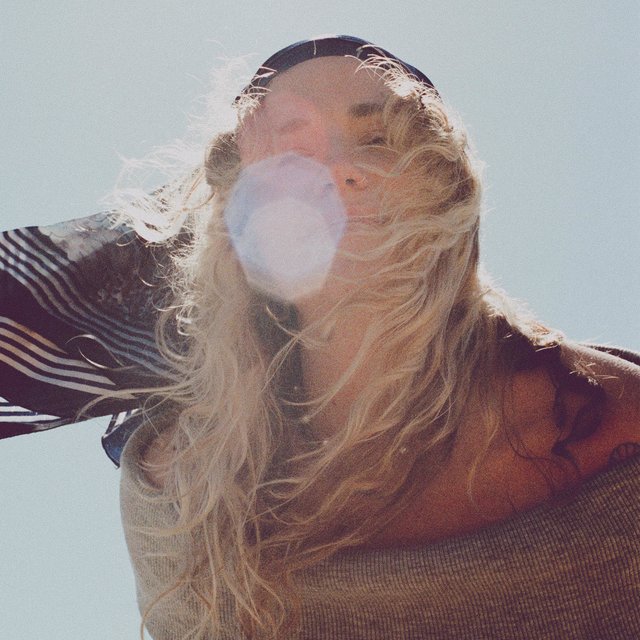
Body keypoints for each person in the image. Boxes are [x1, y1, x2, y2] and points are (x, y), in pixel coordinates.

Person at [1, 36, 638, 639]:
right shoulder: (175, 483)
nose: (339, 170)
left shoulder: (615, 419)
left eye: (380, 138)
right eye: (289, 154)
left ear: (450, 191)